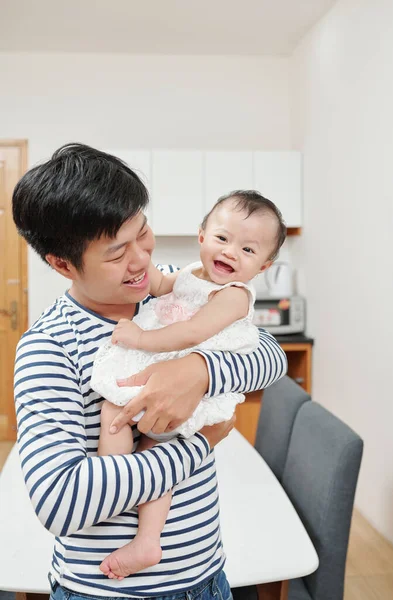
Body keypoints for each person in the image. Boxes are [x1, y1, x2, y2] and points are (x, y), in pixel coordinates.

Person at [13, 144, 287, 600]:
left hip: (207, 577)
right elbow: (60, 503)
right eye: (118, 252)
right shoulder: (49, 346)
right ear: (62, 264)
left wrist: (199, 369)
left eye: (144, 234)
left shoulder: (166, 288)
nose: (142, 260)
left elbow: (269, 355)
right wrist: (200, 445)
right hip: (106, 591)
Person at [92, 190, 287, 580]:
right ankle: (115, 484)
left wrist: (140, 339)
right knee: (121, 417)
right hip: (163, 369)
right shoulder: (190, 274)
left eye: (248, 250)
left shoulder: (232, 296)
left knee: (147, 436)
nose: (231, 252)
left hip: (188, 389)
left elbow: (193, 332)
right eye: (223, 239)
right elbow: (164, 286)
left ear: (263, 266)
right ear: (201, 237)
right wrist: (144, 274)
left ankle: (146, 535)